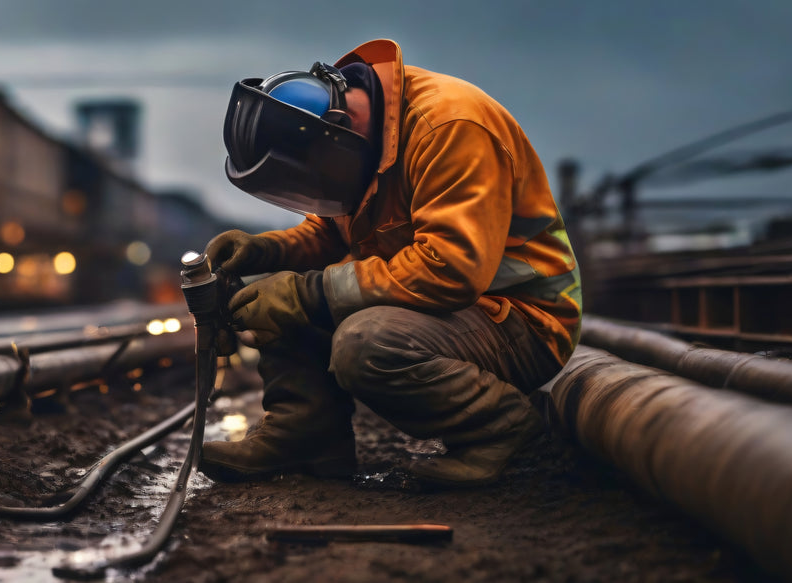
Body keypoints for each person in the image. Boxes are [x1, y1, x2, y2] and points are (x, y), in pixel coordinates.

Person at [201, 39, 582, 487]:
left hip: (520, 321)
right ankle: (307, 436)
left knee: (363, 343)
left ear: (337, 128)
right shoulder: (356, 144)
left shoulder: (450, 127)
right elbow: (330, 232)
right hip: (443, 311)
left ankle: (499, 427)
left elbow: (450, 271)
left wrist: (306, 293)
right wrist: (265, 252)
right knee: (280, 291)